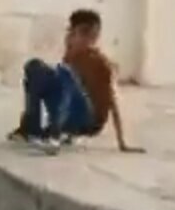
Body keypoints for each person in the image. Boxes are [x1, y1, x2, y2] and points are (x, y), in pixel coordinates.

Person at [9, 9, 144, 155]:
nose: (83, 39)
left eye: (89, 35)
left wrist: (122, 143)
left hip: (89, 120)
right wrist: (68, 50)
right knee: (34, 67)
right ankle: (31, 128)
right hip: (70, 116)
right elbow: (60, 91)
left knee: (64, 73)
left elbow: (113, 103)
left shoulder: (100, 63)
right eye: (77, 33)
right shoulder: (71, 57)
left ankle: (54, 137)